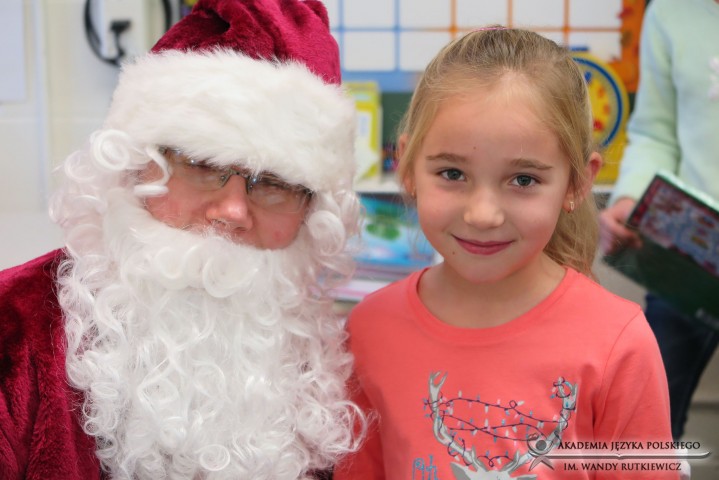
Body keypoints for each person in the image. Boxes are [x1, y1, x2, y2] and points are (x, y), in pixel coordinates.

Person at [0, 0, 366, 478]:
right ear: (134, 167)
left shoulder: (328, 361)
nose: (233, 211)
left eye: (274, 184)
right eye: (202, 165)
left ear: (312, 212)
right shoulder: (14, 331)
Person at [334, 28, 677, 479]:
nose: (482, 215)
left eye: (523, 180)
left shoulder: (620, 343)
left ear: (577, 183)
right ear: (409, 165)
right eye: (452, 173)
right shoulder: (368, 330)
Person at [599, 0, 719, 441]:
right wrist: (631, 197)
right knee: (647, 423)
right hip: (691, 251)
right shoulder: (670, 12)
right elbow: (655, 132)